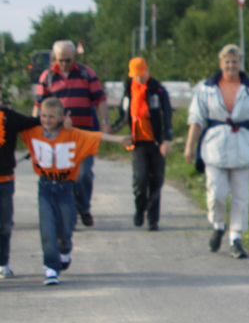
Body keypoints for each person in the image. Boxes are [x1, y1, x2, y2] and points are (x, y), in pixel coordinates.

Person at [21, 98, 132, 285]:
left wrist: (120, 139)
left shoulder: (72, 134)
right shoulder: (33, 132)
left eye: (51, 117)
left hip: (65, 189)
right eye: (43, 116)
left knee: (65, 230)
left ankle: (65, 250)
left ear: (61, 118)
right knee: (47, 229)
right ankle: (51, 268)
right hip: (45, 188)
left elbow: (96, 136)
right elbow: (12, 125)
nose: (46, 120)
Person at [184, 44, 249, 259]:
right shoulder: (206, 89)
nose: (231, 66)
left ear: (240, 64)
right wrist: (190, 145)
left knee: (241, 197)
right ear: (221, 63)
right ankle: (218, 225)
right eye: (227, 62)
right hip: (215, 148)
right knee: (217, 194)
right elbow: (196, 119)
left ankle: (236, 238)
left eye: (235, 62)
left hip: (244, 147)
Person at [34, 40, 109, 228]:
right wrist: (35, 130)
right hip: (58, 138)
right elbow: (39, 106)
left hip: (84, 135)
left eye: (68, 60)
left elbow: (100, 100)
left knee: (83, 174)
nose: (65, 64)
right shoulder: (47, 76)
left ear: (74, 57)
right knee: (64, 178)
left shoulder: (86, 73)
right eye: (61, 60)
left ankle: (83, 207)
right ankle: (69, 216)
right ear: (55, 58)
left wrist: (106, 123)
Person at [113, 57, 173, 231]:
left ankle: (153, 220)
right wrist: (113, 129)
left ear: (147, 71)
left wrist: (166, 140)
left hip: (156, 142)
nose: (138, 78)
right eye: (135, 75)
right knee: (140, 179)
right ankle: (140, 208)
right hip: (138, 143)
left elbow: (167, 115)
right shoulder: (129, 89)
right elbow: (124, 114)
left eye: (141, 74)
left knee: (156, 181)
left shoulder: (158, 90)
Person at [0, 105, 44, 277]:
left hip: (5, 180)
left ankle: (2, 262)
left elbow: (36, 122)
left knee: (4, 225)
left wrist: (62, 120)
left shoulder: (8, 116)